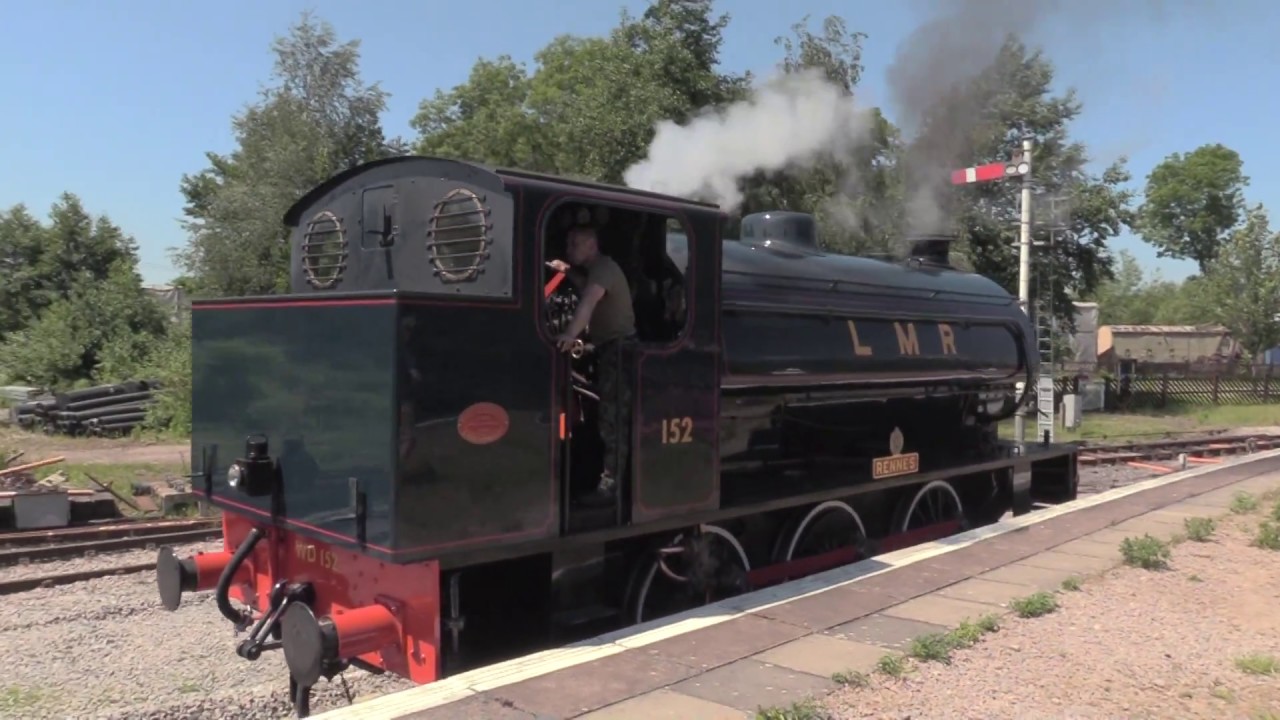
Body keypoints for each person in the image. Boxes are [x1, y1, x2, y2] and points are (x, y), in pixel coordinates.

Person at [549, 225, 636, 508]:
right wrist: (566, 271)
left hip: (619, 352)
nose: (569, 247)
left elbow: (587, 302)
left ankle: (613, 487)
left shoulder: (604, 269)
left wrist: (568, 336)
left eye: (574, 243)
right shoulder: (596, 270)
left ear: (591, 245)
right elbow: (584, 286)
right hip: (607, 349)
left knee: (613, 421)